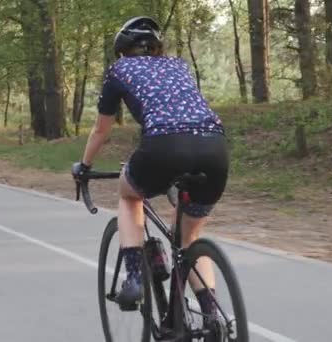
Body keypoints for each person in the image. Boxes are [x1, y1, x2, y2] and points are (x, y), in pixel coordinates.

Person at [72, 17, 229, 319]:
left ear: (122, 52)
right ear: (158, 49)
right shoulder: (179, 66)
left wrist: (85, 166)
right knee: (188, 238)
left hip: (163, 145)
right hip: (215, 148)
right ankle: (212, 317)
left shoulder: (119, 70)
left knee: (130, 194)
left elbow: (102, 130)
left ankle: (134, 278)